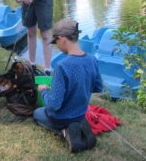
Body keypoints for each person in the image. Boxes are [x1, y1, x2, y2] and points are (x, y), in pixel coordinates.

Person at [33, 18, 103, 153]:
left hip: (61, 118)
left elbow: (54, 105)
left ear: (62, 38)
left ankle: (66, 132)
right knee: (72, 116)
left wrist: (43, 91)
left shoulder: (62, 65)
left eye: (57, 42)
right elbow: (98, 87)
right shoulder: (92, 59)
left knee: (37, 113)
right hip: (81, 113)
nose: (57, 46)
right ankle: (79, 127)